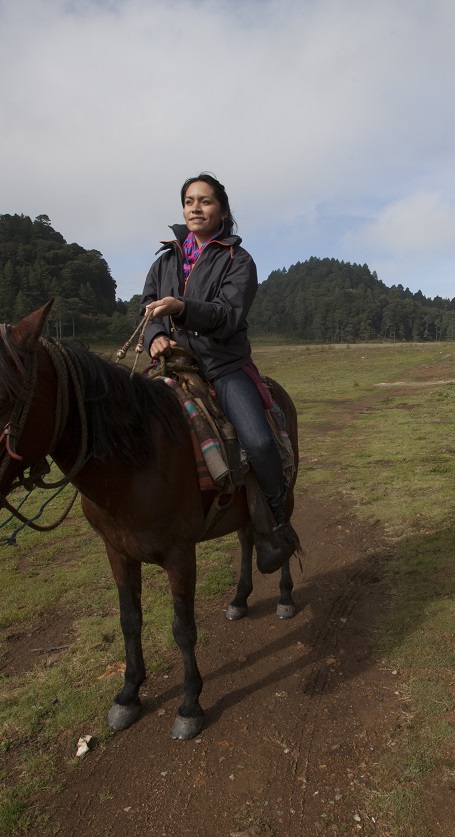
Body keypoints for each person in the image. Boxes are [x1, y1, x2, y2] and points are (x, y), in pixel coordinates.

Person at [142, 173, 299, 571]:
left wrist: (182, 308)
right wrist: (155, 336)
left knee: (259, 442)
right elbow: (148, 307)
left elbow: (228, 316)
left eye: (206, 201)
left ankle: (274, 524)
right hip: (172, 364)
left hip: (222, 366)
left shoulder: (238, 261)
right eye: (189, 201)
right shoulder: (165, 261)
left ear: (223, 211)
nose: (196, 208)